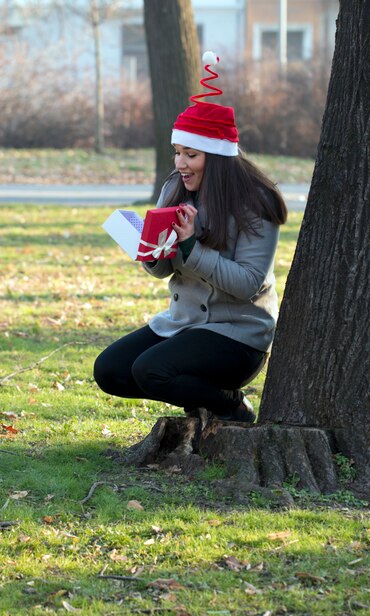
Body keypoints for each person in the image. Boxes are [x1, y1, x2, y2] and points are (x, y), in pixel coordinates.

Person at [94, 51, 287, 423]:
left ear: (216, 156)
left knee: (151, 370)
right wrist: (150, 251)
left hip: (237, 334)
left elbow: (248, 284)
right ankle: (198, 392)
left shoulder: (254, 203)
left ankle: (231, 407)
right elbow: (163, 272)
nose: (180, 163)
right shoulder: (175, 187)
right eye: (177, 152)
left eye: (191, 155)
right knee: (110, 370)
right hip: (183, 323)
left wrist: (189, 247)